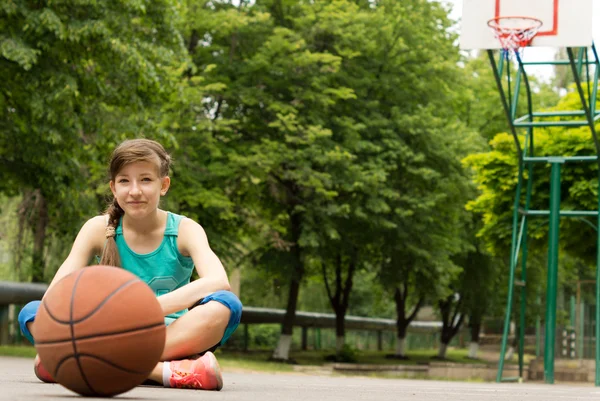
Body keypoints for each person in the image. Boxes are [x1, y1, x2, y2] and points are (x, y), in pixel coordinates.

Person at [17, 138, 242, 391]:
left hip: (173, 336)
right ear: (113, 188)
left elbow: (218, 281)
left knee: (227, 305)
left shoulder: (184, 230)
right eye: (125, 181)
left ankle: (86, 364)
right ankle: (164, 371)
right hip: (105, 333)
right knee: (32, 313)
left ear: (164, 185)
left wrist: (143, 311)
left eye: (146, 179)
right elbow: (53, 297)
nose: (135, 191)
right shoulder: (96, 229)